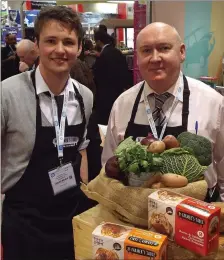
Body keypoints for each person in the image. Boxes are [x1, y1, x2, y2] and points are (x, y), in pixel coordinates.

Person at [1, 6, 94, 260]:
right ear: (37, 46)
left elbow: (80, 150)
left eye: (68, 42)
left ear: (80, 48)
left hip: (69, 218)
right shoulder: (7, 94)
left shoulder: (85, 96)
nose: (60, 50)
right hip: (22, 223)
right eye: (51, 41)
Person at [102, 22, 224, 202]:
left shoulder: (213, 103)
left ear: (181, 52)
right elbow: (109, 166)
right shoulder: (122, 104)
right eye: (146, 50)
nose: (155, 58)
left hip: (197, 217)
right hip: (135, 216)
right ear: (137, 57)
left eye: (164, 48)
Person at [93, 30, 129, 125]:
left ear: (99, 42)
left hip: (105, 92)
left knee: (106, 120)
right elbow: (125, 70)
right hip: (118, 91)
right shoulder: (117, 52)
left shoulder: (104, 55)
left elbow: (98, 74)